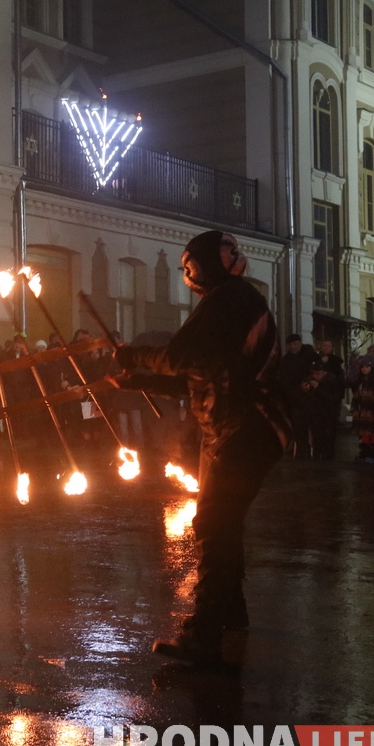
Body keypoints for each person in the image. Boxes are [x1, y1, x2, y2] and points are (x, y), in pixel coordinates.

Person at [111, 230, 288, 668]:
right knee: (223, 522)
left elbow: (179, 355)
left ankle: (203, 637)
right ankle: (229, 611)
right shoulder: (225, 302)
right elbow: (197, 373)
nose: (188, 274)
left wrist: (135, 356)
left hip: (248, 426)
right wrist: (143, 380)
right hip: (230, 427)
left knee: (214, 521)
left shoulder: (230, 298)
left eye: (192, 265)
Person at [278, 334, 312, 458]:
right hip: (295, 398)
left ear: (300, 343)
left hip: (310, 396)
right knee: (298, 426)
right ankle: (301, 451)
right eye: (291, 344)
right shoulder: (286, 361)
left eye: (295, 343)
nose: (293, 346)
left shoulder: (308, 356)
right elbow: (285, 382)